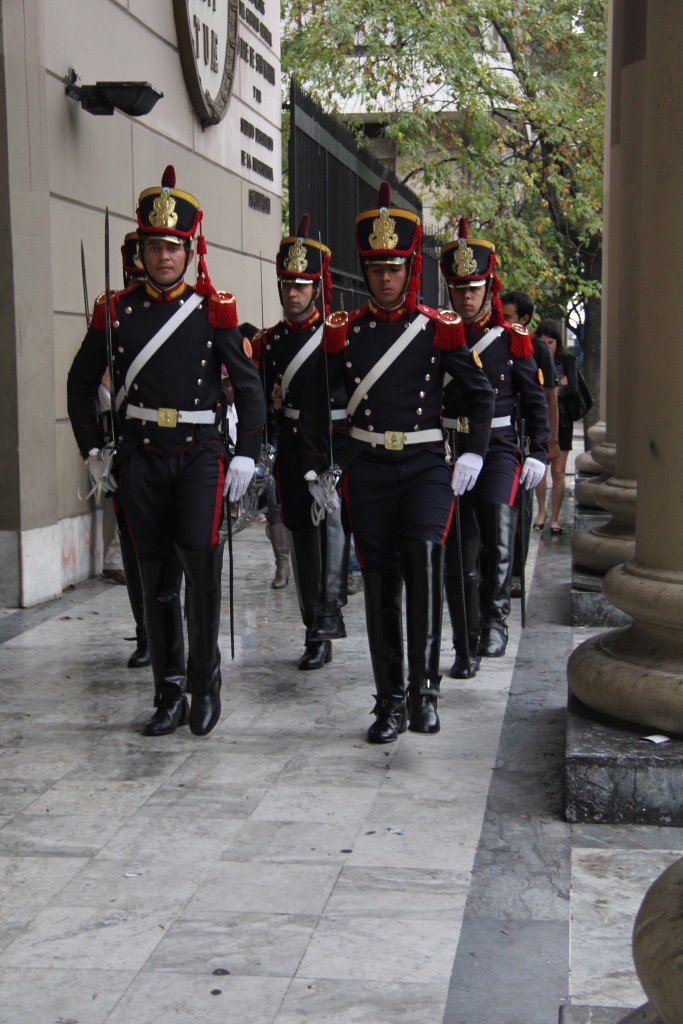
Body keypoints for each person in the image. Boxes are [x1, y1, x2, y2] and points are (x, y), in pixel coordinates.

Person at [67, 165, 264, 737]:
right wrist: (93, 449)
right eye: (155, 247)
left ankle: (206, 685)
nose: (164, 257)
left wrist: (246, 452)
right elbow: (81, 382)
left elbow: (247, 383)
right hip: (141, 457)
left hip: (201, 455)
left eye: (173, 247)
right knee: (154, 582)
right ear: (142, 249)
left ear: (189, 250)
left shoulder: (213, 309)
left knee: (200, 576)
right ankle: (169, 691)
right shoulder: (117, 311)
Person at [299, 182, 494, 742]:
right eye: (376, 269)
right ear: (367, 269)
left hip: (427, 465)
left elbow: (480, 393)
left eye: (395, 269)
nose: (386, 279)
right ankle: (387, 702)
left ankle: (424, 692)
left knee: (425, 563)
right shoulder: (344, 331)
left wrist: (475, 452)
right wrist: (319, 468)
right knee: (381, 583)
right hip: (369, 469)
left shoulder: (438, 327)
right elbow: (317, 403)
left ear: (410, 269)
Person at [441, 221, 549, 674]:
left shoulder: (513, 340)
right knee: (461, 552)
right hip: (450, 447)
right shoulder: (436, 335)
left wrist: (541, 451)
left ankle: (495, 621)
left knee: (497, 533)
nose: (467, 297)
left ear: (490, 288)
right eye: (459, 288)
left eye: (475, 288)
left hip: (500, 447)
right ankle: (465, 641)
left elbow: (535, 399)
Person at [254, 215, 349, 668]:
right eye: (286, 285)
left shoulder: (337, 336)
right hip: (292, 453)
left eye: (302, 285)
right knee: (302, 542)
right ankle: (313, 626)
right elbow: (266, 405)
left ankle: (326, 619)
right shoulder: (269, 342)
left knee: (331, 535)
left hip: (330, 448)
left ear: (317, 287)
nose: (293, 293)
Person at [500, 290, 560, 597]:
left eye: (508, 316)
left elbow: (549, 398)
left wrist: (550, 440)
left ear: (524, 319)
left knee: (519, 511)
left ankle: (514, 574)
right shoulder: (493, 338)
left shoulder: (536, 348)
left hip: (524, 438)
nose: (502, 320)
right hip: (496, 436)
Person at [531, 318, 578, 534]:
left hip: (564, 421)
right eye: (543, 342)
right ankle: (541, 511)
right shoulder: (533, 358)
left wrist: (553, 389)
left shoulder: (567, 359)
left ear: (557, 342)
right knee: (541, 469)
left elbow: (571, 389)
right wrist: (558, 384)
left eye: (550, 342)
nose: (547, 347)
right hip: (540, 419)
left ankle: (555, 518)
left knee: (558, 471)